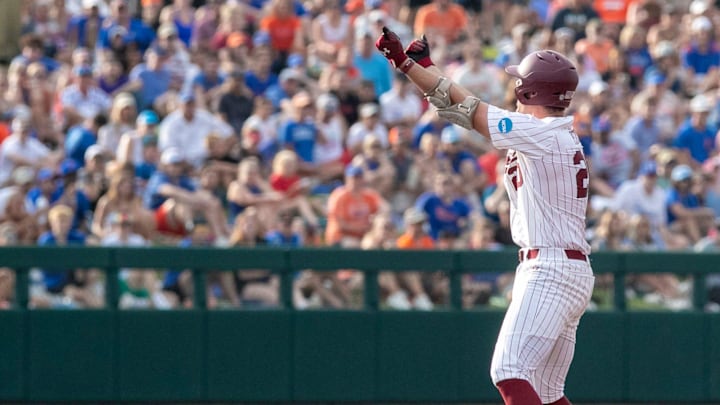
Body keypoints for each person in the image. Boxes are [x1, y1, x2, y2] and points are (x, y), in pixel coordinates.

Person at [376, 27, 595, 405]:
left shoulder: (541, 134)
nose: (513, 89)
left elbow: (469, 109)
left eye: (519, 83)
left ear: (528, 91)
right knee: (546, 393)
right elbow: (461, 109)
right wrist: (424, 68)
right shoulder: (550, 133)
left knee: (508, 371)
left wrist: (407, 65)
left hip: (550, 267)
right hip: (567, 266)